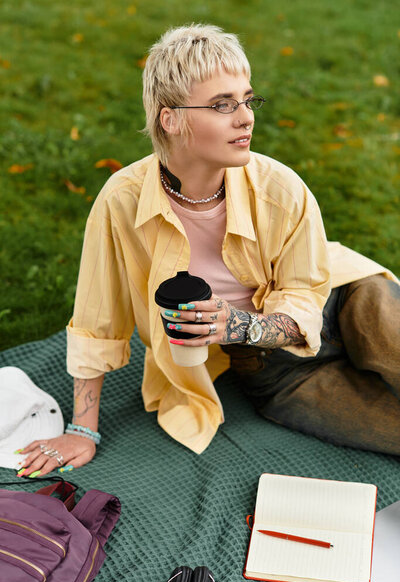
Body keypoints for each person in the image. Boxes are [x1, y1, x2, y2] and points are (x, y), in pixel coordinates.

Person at [18, 24, 400, 477]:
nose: (246, 118)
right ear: (171, 118)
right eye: (222, 105)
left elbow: (303, 297)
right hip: (278, 373)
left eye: (247, 100)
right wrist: (83, 430)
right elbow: (97, 319)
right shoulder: (121, 201)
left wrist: (237, 324)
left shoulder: (282, 188)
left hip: (348, 299)